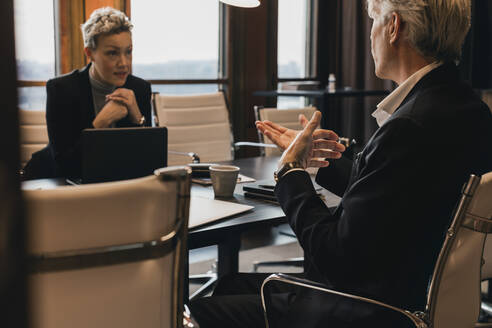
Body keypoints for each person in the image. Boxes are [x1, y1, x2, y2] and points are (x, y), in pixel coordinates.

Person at [190, 0, 492, 327]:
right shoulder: (469, 109)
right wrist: (318, 161)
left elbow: (335, 257)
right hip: (412, 294)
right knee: (226, 285)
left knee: (200, 310)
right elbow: (392, 196)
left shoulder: (408, 126)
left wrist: (291, 172)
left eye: (373, 20)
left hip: (369, 309)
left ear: (394, 27)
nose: (371, 32)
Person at [45, 7, 151, 178]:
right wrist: (100, 123)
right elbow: (65, 166)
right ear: (90, 54)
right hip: (68, 189)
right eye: (112, 53)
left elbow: (148, 165)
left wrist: (137, 118)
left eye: (128, 51)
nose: (124, 63)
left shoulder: (139, 89)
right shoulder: (62, 90)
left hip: (121, 189)